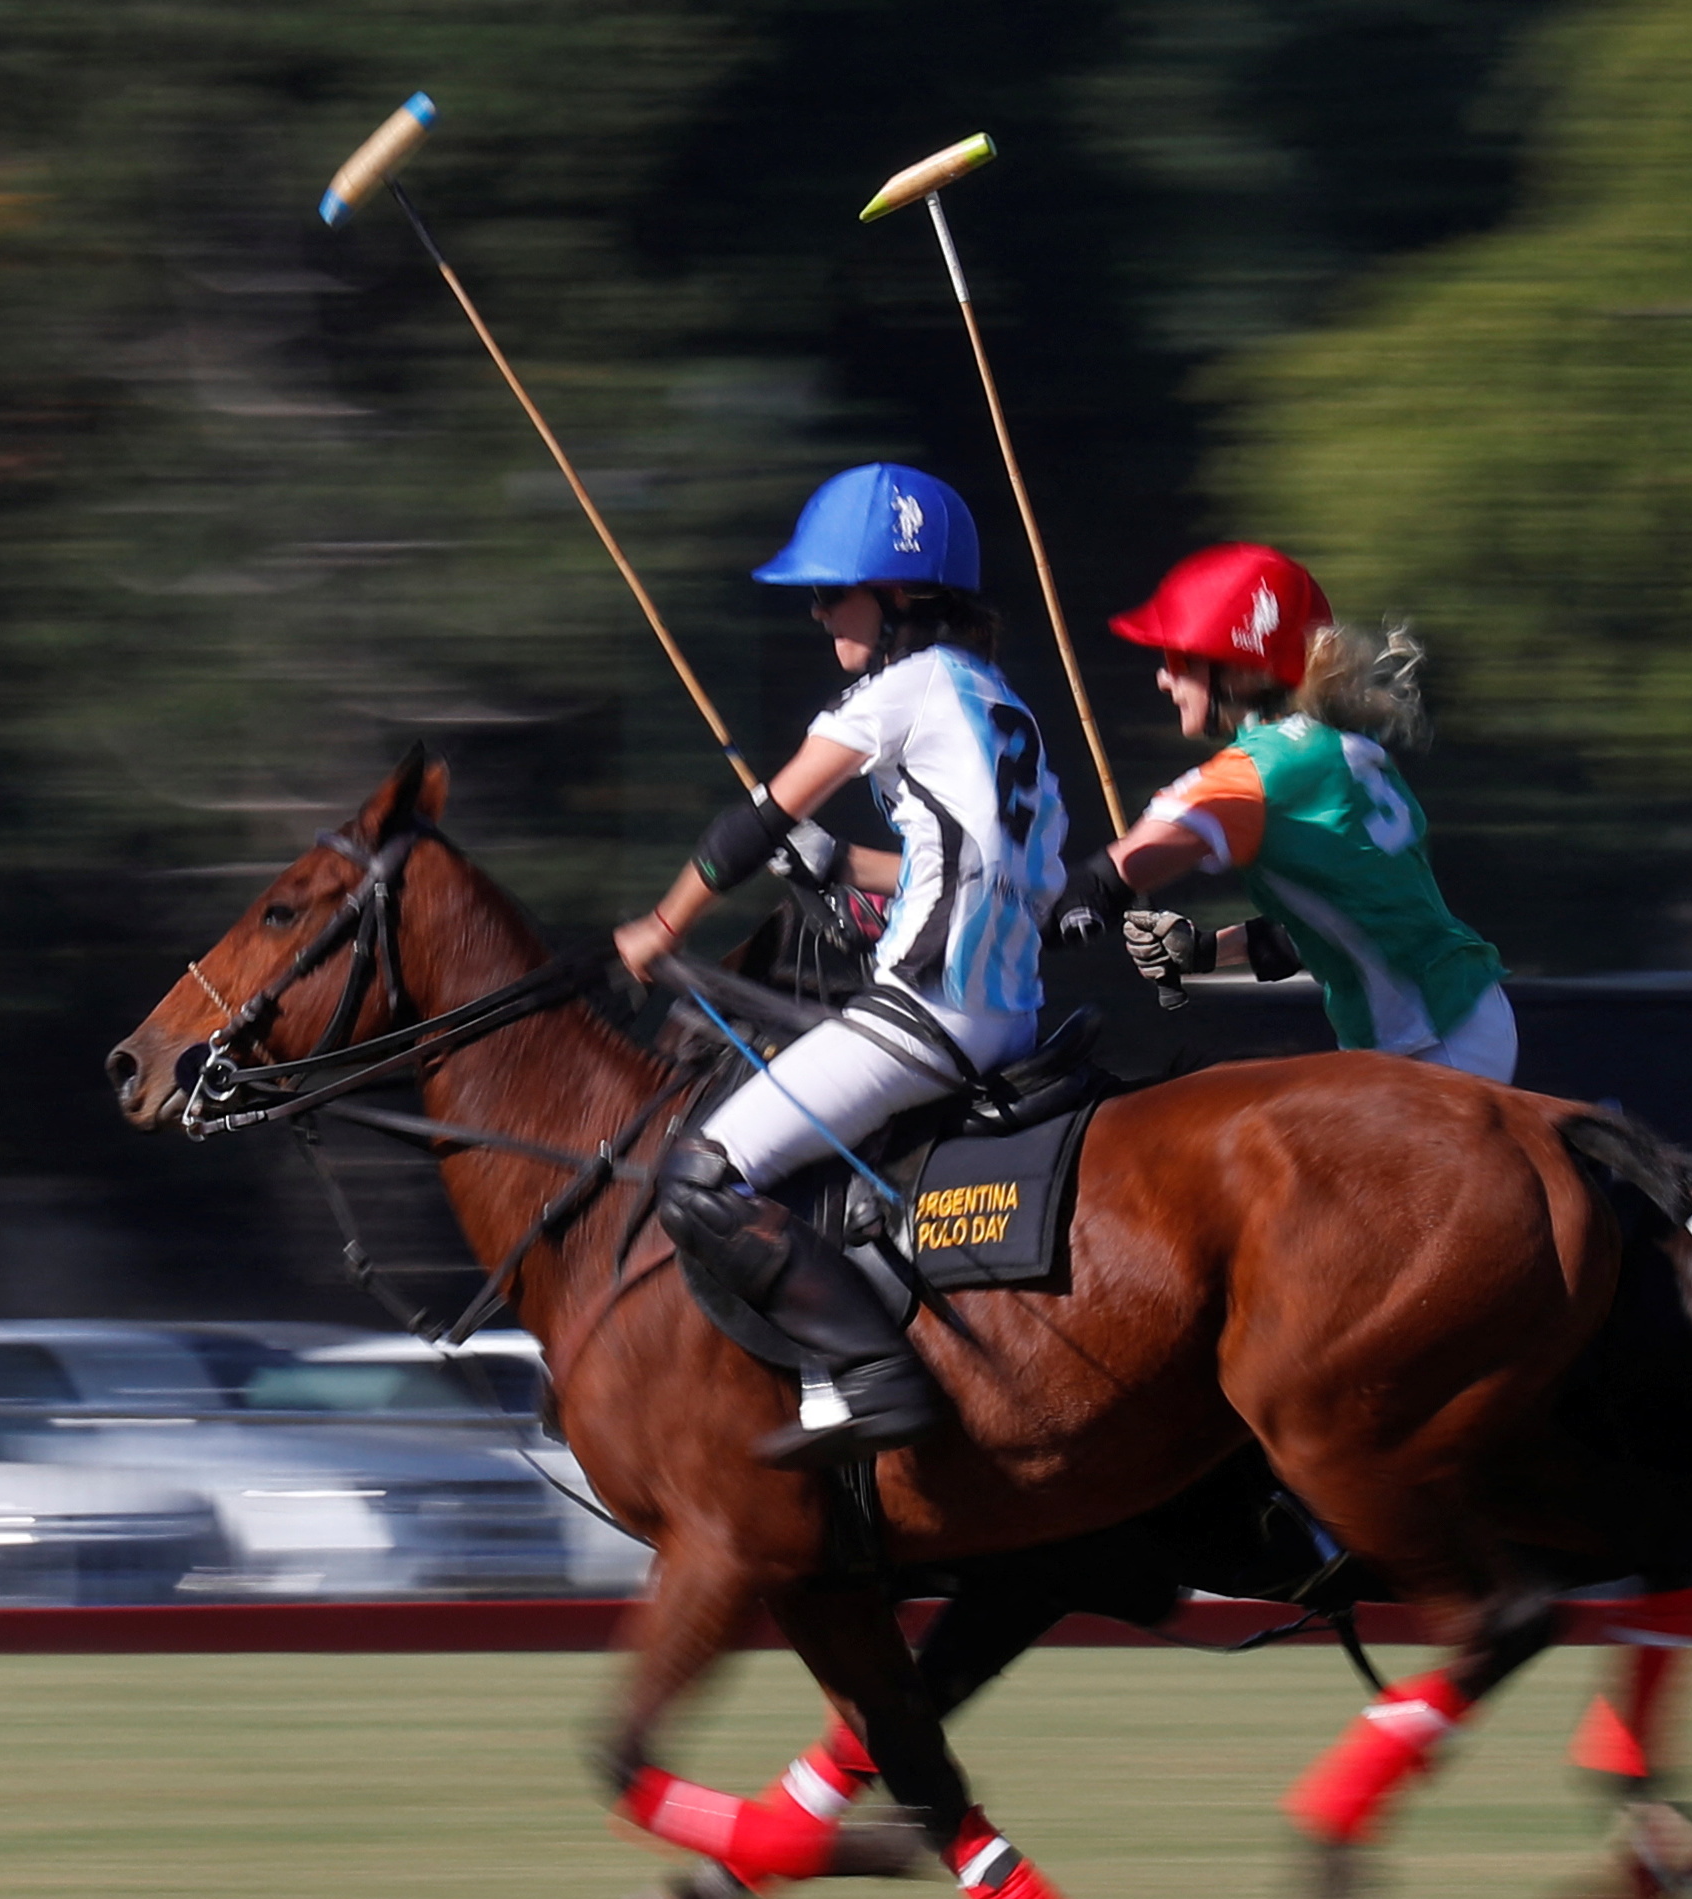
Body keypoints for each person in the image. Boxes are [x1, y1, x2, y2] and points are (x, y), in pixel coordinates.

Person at [613, 463, 1068, 1469]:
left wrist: (660, 923)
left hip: (929, 1015)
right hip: (1013, 1015)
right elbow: (984, 867)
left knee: (698, 1176)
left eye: (833, 592)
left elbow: (758, 818)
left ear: (901, 595)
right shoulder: (1000, 703)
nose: (820, 616)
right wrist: (839, 868)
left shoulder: (898, 689)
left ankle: (869, 1377)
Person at [1054, 542, 1516, 1081]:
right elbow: (1316, 933)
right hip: (1452, 1022)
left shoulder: (1264, 769)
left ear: (1243, 672)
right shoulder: (1334, 746)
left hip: (1432, 1042)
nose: (1164, 678)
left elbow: (1109, 879)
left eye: (1179, 660)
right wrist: (1201, 951)